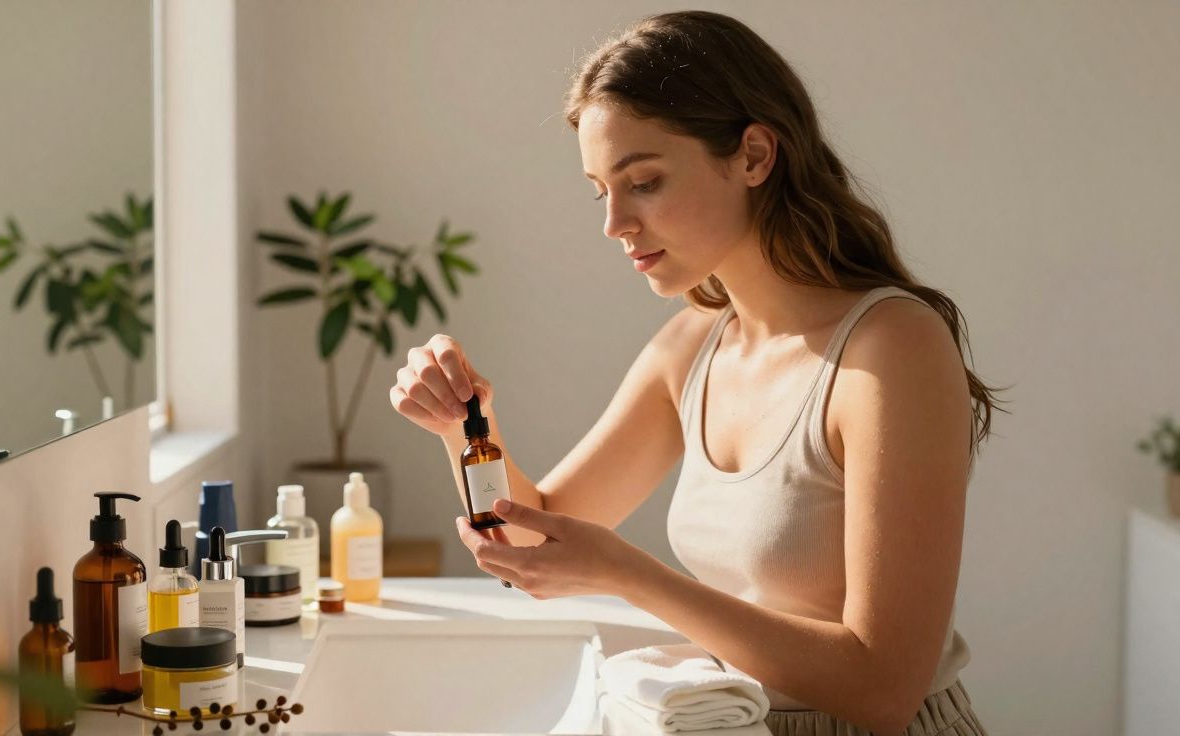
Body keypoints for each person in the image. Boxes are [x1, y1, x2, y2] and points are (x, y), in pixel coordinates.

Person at [389, 10, 1001, 736]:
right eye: (599, 191)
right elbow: (535, 544)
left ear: (753, 156)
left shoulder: (891, 349)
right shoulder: (691, 349)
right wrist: (465, 427)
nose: (613, 222)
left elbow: (882, 689)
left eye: (642, 181)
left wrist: (631, 576)